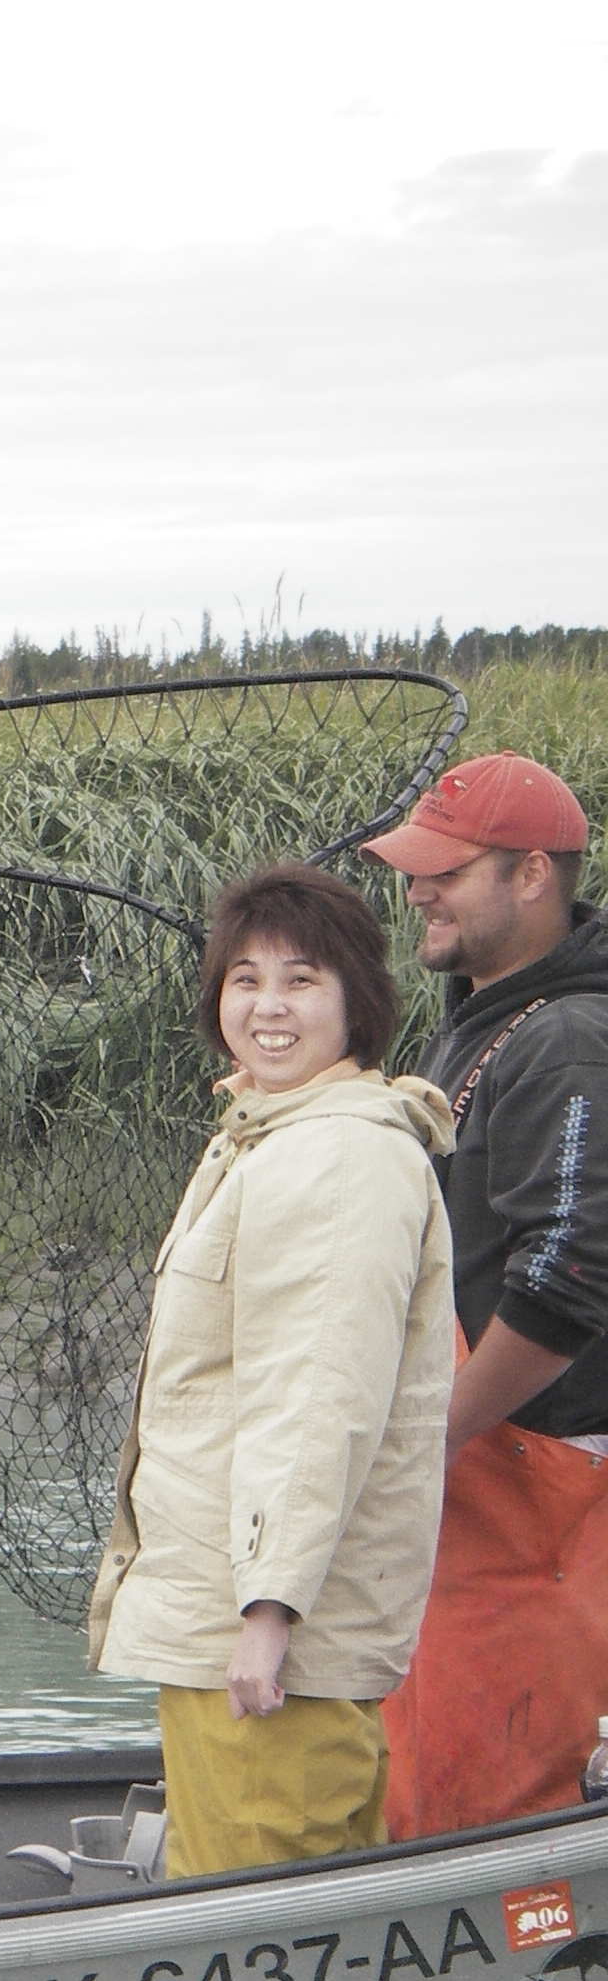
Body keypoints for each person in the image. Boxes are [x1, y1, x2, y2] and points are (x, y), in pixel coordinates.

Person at [88, 866, 455, 1879]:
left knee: (257, 1932)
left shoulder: (338, 1156)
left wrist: (268, 1615)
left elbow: (315, 1400)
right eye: (245, 980)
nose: (270, 1007)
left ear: (359, 1005)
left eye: (303, 980)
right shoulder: (268, 1135)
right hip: (231, 1626)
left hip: (267, 1646)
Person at [362, 751, 608, 1835]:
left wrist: (427, 1442)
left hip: (532, 1482)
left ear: (533, 878)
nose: (418, 890)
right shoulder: (484, 1009)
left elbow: (567, 1283)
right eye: (415, 868)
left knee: (499, 1805)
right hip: (472, 1478)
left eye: (447, 871)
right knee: (427, 1773)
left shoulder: (564, 1039)